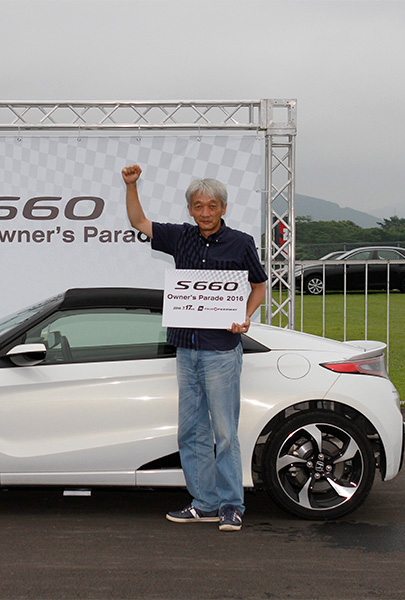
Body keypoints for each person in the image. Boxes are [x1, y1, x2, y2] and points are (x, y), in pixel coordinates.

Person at [122, 164, 267, 532]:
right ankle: (204, 503)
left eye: (212, 206)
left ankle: (232, 505)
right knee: (191, 431)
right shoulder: (179, 237)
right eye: (199, 206)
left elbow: (258, 286)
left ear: (223, 208)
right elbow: (138, 221)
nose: (205, 212)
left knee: (225, 433)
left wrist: (245, 316)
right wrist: (131, 185)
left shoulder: (241, 243)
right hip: (186, 350)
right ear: (190, 210)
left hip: (221, 350)